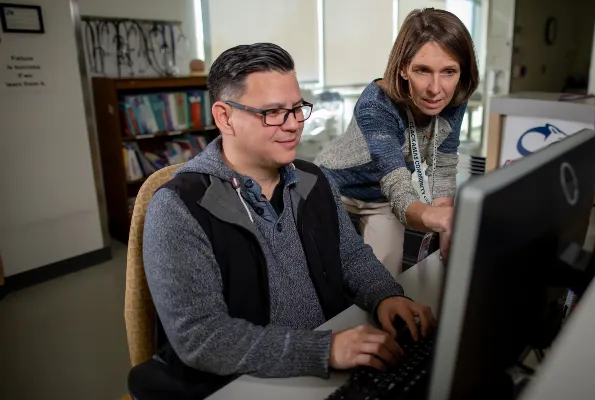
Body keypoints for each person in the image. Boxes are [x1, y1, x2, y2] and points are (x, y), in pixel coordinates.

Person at [128, 43, 436, 400]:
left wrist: (385, 296)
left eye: (296, 109)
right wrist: (325, 350)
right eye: (273, 113)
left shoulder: (314, 180)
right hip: (243, 382)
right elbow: (202, 337)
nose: (293, 126)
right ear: (224, 117)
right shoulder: (179, 208)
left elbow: (351, 256)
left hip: (324, 366)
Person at [315, 8, 479, 275]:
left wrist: (447, 230)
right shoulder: (376, 105)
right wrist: (437, 218)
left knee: (385, 281)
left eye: (449, 71)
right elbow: (397, 186)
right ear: (403, 68)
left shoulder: (454, 98)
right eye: (422, 70)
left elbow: (444, 165)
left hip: (381, 198)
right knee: (327, 276)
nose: (436, 89)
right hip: (335, 187)